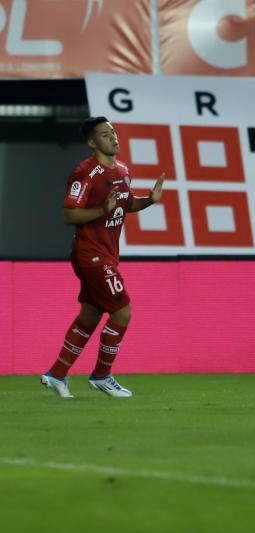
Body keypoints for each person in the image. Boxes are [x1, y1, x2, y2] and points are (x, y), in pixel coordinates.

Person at [40, 117, 164, 398]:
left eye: (113, 132)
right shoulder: (85, 172)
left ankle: (57, 374)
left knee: (90, 315)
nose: (113, 138)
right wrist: (101, 210)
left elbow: (126, 204)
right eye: (105, 135)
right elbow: (69, 215)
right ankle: (101, 376)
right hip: (91, 254)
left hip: (106, 253)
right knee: (122, 311)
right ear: (92, 142)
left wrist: (149, 200)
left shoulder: (123, 170)